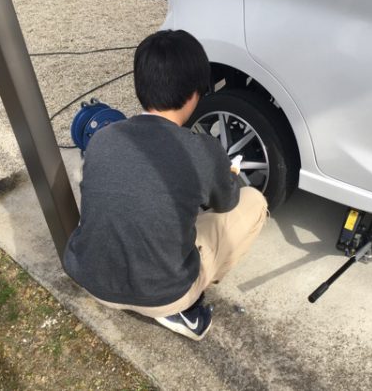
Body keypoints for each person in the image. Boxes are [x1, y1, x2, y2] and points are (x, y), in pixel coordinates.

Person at [63, 29, 268, 341]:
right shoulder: (201, 150)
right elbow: (227, 202)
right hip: (163, 294)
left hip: (90, 276)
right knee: (254, 202)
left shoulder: (103, 138)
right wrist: (224, 172)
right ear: (195, 94)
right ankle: (186, 306)